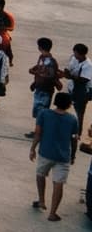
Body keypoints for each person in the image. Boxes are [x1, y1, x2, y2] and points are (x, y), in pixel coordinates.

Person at [31, 90, 79, 220]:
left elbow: (38, 133)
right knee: (58, 183)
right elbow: (74, 139)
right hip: (63, 156)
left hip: (45, 152)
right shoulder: (72, 119)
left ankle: (41, 200)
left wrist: (32, 148)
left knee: (40, 175)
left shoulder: (44, 114)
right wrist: (73, 155)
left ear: (55, 102)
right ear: (69, 105)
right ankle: (52, 213)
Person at [28, 36, 64, 132]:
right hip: (39, 88)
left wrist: (36, 73)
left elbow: (51, 76)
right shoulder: (42, 58)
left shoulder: (51, 62)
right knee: (38, 111)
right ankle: (38, 130)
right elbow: (39, 67)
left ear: (40, 47)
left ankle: (39, 131)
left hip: (45, 90)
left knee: (42, 112)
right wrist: (35, 82)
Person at [67, 42, 92, 132]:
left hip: (83, 91)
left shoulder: (88, 65)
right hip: (72, 88)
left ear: (80, 54)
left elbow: (84, 79)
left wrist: (70, 76)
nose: (74, 54)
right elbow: (69, 68)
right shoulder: (74, 58)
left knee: (80, 111)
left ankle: (78, 131)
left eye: (75, 53)